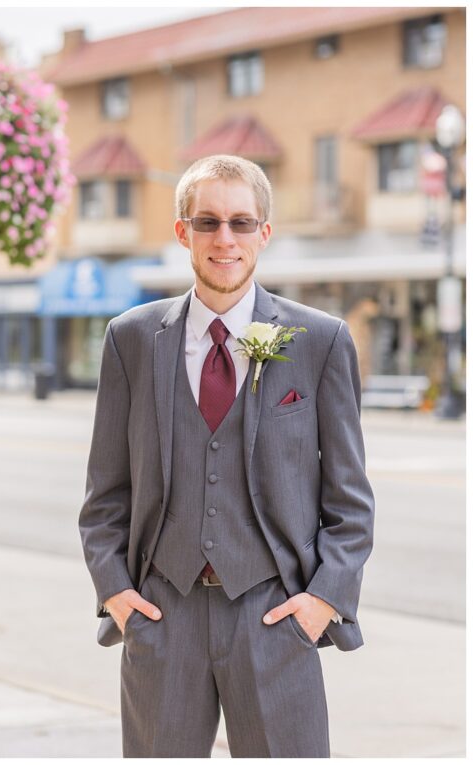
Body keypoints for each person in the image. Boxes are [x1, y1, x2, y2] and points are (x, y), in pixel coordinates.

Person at [78, 154, 374, 757]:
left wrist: (320, 603)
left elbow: (350, 500)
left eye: (241, 223)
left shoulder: (320, 341)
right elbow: (106, 492)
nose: (225, 239)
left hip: (276, 616)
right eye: (207, 222)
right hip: (162, 615)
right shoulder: (131, 339)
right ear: (182, 230)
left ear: (264, 233)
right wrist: (116, 593)